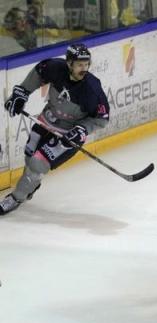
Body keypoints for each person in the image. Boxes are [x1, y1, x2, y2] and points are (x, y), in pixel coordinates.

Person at [0, 43, 110, 215]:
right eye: (80, 64)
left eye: (86, 64)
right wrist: (21, 92)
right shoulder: (55, 68)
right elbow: (39, 72)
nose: (84, 68)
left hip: (68, 136)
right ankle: (30, 185)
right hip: (46, 121)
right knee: (30, 154)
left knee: (37, 163)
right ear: (69, 63)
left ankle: (16, 198)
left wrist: (81, 130)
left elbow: (102, 118)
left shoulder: (92, 89)